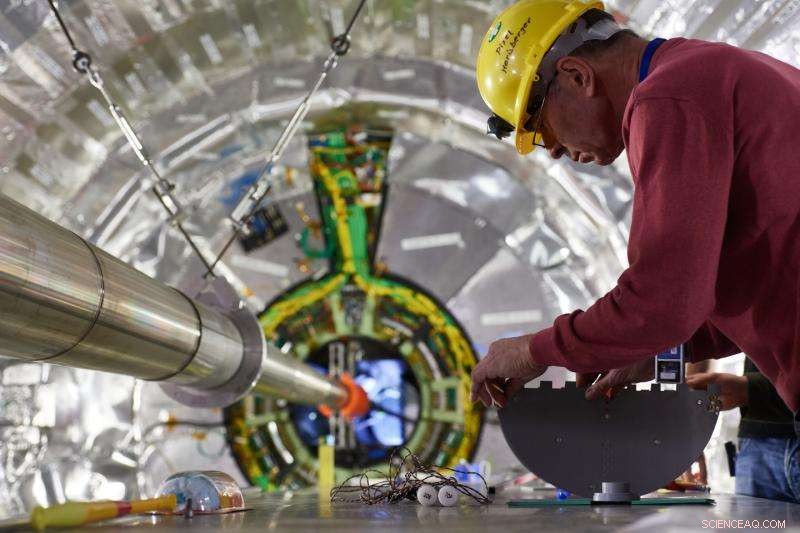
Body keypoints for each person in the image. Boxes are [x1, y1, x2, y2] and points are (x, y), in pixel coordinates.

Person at [468, 0, 800, 430]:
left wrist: (535, 350)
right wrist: (646, 349)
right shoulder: (714, 71)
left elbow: (664, 299)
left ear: (576, 76)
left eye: (539, 125)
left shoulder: (668, 95)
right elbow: (746, 293)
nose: (551, 149)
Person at [688, 363, 800, 503]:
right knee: (751, 524)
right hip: (757, 443)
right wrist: (693, 431)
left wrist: (752, 389)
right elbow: (697, 345)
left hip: (757, 432)